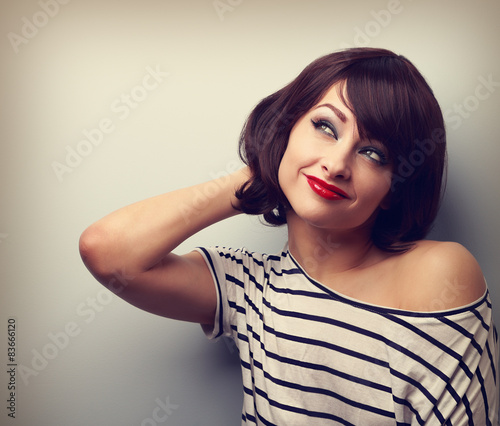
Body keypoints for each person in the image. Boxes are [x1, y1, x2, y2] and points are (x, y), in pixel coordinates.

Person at [79, 47, 499, 424]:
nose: (337, 163)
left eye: (374, 153)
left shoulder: (436, 273)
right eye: (326, 127)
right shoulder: (248, 287)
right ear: (287, 129)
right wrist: (264, 169)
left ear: (394, 189)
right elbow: (108, 251)